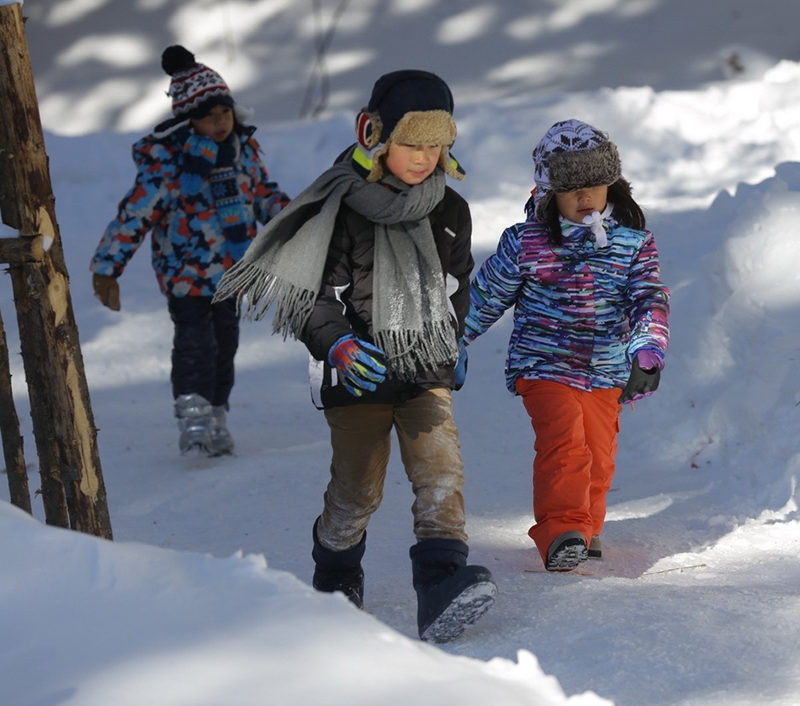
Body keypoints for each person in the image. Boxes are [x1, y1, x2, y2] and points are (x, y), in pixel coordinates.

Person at [215, 69, 496, 642]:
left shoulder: (451, 210)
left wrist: (455, 336)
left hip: (424, 368)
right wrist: (337, 342)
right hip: (356, 371)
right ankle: (337, 570)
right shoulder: (340, 206)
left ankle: (440, 585)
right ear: (376, 136)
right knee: (357, 489)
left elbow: (455, 284)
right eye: (411, 144)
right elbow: (312, 293)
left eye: (436, 145)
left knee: (441, 473)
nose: (423, 158)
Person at [463, 119, 669, 572]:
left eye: (595, 187)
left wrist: (647, 351)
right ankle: (562, 530)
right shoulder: (527, 243)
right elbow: (486, 296)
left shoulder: (633, 244)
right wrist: (453, 341)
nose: (585, 199)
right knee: (566, 444)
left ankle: (586, 527)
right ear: (547, 193)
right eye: (572, 190)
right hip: (543, 364)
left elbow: (646, 299)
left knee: (598, 452)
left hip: (607, 368)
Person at [90, 46, 290, 456]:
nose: (219, 123)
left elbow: (264, 197)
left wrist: (300, 221)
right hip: (185, 277)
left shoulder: (243, 153)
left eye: (225, 113)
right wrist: (108, 267)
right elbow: (136, 213)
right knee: (195, 345)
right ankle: (193, 417)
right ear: (189, 120)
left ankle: (216, 414)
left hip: (233, 274)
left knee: (226, 347)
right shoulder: (170, 164)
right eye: (208, 116)